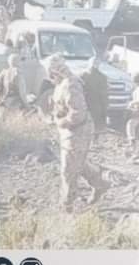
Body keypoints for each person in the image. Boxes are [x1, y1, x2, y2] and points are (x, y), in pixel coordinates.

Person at [44, 53, 108, 211]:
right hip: (70, 130)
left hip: (78, 131)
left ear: (54, 70)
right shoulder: (62, 82)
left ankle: (67, 204)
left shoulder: (70, 85)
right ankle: (100, 184)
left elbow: (78, 113)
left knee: (68, 169)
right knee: (77, 162)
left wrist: (61, 121)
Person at [80, 57, 109, 137]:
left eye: (96, 63)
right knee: (89, 123)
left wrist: (105, 105)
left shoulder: (102, 77)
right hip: (87, 102)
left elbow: (104, 93)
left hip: (93, 103)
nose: (94, 65)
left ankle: (93, 138)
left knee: (94, 124)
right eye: (94, 63)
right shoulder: (82, 75)